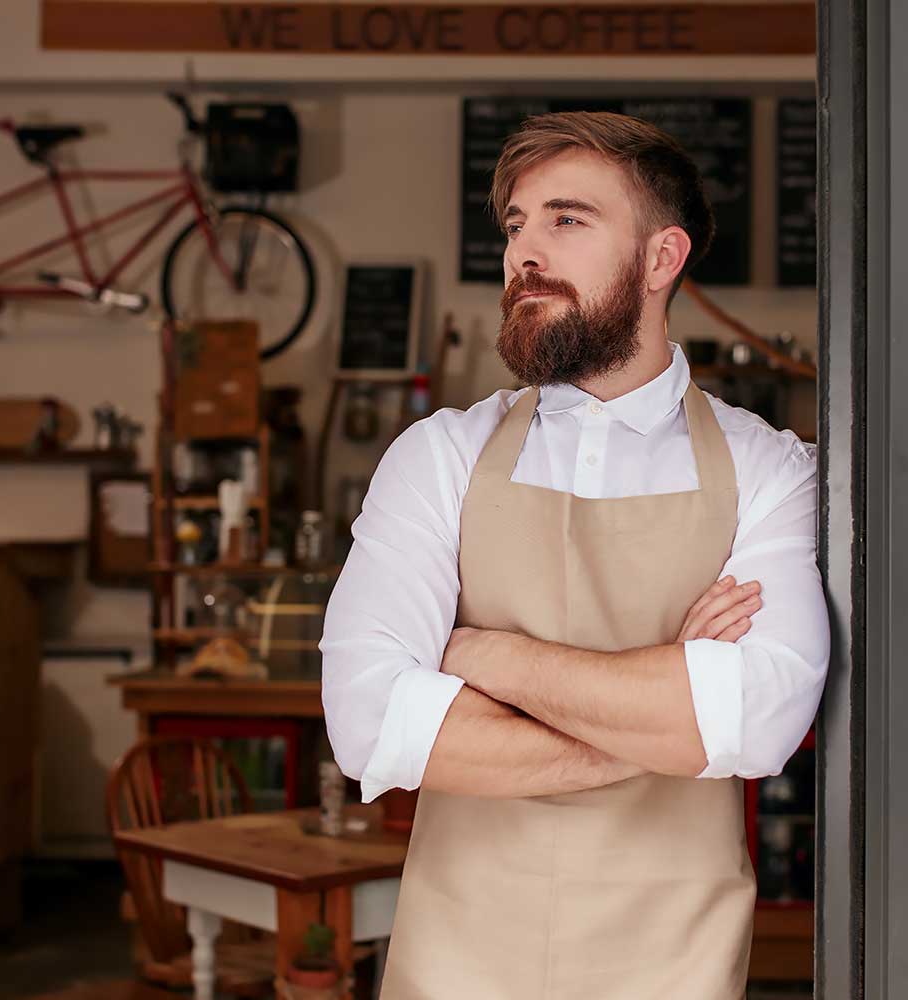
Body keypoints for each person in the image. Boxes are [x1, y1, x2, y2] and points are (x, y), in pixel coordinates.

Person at [321, 111, 828, 999]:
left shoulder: (770, 468)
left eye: (567, 220)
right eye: (517, 224)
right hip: (458, 959)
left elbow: (760, 720)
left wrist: (488, 657)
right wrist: (670, 711)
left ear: (662, 258)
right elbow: (369, 723)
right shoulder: (438, 455)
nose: (525, 252)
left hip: (675, 961)